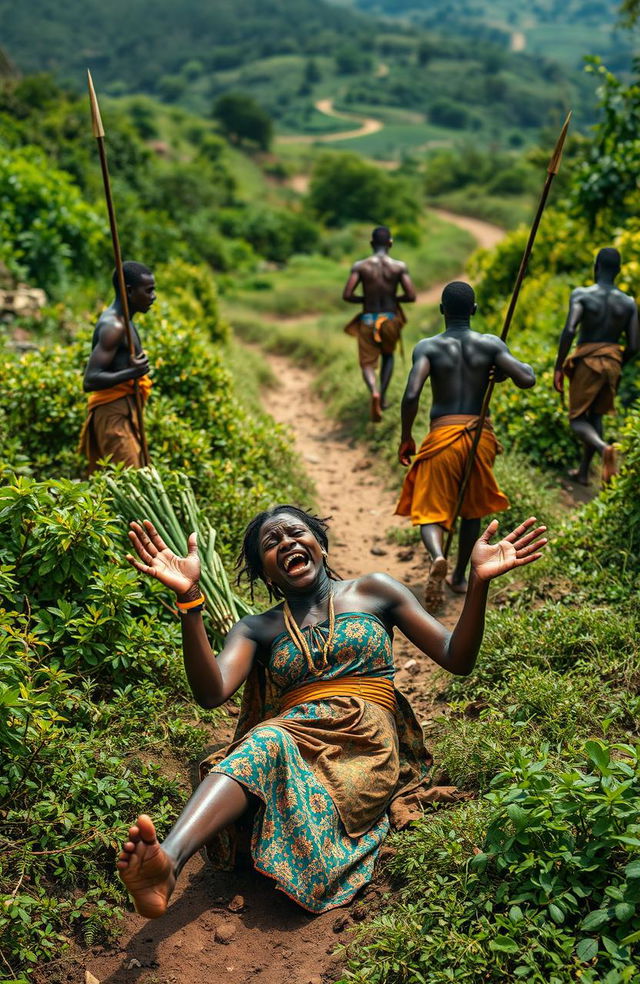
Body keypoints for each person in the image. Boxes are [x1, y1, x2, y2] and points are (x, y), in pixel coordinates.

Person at [117, 504, 547, 918]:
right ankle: (164, 866)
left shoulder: (375, 590)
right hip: (292, 736)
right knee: (266, 739)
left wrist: (478, 583)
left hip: (365, 742)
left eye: (295, 532)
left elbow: (457, 657)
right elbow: (212, 693)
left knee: (268, 742)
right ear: (265, 570)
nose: (286, 542)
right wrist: (190, 601)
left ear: (319, 544)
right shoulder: (257, 628)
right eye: (272, 541)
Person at [395, 281, 535, 603]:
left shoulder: (427, 347)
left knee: (430, 508)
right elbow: (527, 378)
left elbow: (412, 394)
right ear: (473, 310)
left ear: (442, 310)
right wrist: (501, 368)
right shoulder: (490, 344)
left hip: (442, 435)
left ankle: (436, 557)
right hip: (477, 438)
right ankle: (459, 577)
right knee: (472, 510)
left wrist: (406, 437)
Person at [553, 247, 639, 486]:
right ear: (619, 271)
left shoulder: (581, 295)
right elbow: (633, 344)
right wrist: (616, 361)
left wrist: (559, 366)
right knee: (596, 415)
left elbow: (570, 329)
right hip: (612, 363)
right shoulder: (628, 302)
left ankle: (604, 449)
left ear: (596, 267)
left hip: (588, 361)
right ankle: (583, 473)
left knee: (577, 419)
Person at [79, 261, 155, 473]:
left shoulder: (127, 321)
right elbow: (91, 380)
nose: (153, 296)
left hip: (127, 411)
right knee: (129, 482)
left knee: (139, 476)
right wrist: (132, 372)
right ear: (129, 291)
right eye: (148, 291)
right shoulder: (114, 326)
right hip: (112, 415)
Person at [342, 226, 416, 422]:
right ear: (390, 243)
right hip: (390, 319)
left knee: (367, 363)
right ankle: (382, 397)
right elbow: (411, 295)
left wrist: (366, 301)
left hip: (368, 319)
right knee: (388, 356)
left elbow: (348, 295)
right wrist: (392, 297)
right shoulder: (399, 267)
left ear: (372, 244)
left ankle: (373, 391)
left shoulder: (360, 266)